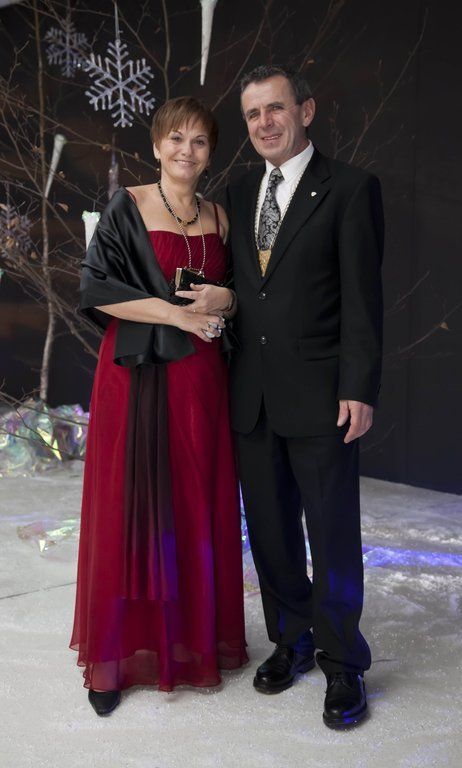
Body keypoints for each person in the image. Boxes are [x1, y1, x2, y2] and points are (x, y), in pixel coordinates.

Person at [70, 96, 248, 716]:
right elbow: (97, 290)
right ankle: (117, 655)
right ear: (155, 145)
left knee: (193, 500)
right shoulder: (128, 205)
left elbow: (239, 298)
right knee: (132, 503)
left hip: (201, 378)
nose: (185, 151)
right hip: (137, 376)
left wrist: (224, 301)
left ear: (211, 152)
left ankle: (190, 639)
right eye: (175, 138)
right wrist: (176, 315)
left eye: (198, 141)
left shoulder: (221, 217)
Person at [227, 65, 384, 728]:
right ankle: (290, 640)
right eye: (253, 113)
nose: (264, 123)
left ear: (306, 111)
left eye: (276, 108)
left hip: (322, 395)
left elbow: (363, 300)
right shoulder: (237, 193)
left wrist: (359, 386)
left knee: (332, 532)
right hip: (252, 396)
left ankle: (343, 662)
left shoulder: (350, 188)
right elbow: (247, 292)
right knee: (270, 532)